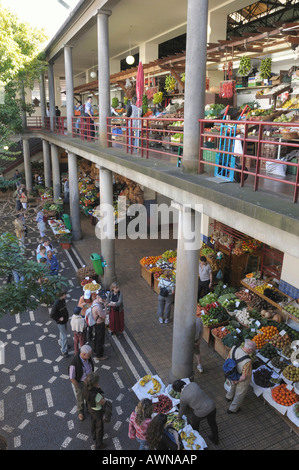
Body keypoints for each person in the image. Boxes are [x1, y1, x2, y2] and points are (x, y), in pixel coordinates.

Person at [175, 379, 219, 445]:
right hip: (211, 406)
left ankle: (196, 437)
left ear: (178, 390)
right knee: (213, 423)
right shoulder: (193, 384)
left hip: (201, 413)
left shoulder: (183, 397)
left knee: (193, 421)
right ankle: (216, 439)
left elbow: (182, 410)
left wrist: (179, 417)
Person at [225, 339, 256, 414]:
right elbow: (244, 377)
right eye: (253, 350)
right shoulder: (247, 361)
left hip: (232, 373)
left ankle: (228, 397)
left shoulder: (234, 348)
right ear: (249, 350)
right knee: (240, 393)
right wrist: (237, 381)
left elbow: (227, 360)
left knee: (232, 386)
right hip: (240, 378)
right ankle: (233, 409)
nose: (253, 351)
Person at [69, 344, 94, 421]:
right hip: (81, 382)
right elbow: (72, 378)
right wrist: (78, 386)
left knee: (89, 395)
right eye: (89, 355)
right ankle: (80, 411)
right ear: (83, 354)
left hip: (89, 380)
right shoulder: (74, 364)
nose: (90, 357)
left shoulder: (87, 358)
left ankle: (89, 408)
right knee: (80, 397)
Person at [84, 372, 107, 450]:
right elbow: (103, 402)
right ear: (95, 383)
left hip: (90, 408)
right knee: (99, 427)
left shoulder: (85, 386)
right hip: (97, 411)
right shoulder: (96, 395)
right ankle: (98, 444)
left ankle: (93, 435)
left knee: (93, 422)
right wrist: (100, 390)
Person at [50, 291, 69, 357]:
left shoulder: (62, 300)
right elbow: (52, 314)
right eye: (65, 294)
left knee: (62, 333)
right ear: (62, 295)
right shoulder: (56, 304)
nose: (66, 296)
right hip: (61, 322)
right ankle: (64, 350)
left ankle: (62, 343)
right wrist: (58, 318)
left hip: (64, 320)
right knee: (64, 336)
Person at [91, 290, 108, 360]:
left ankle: (95, 351)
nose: (104, 300)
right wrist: (106, 307)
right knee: (100, 340)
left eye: (104, 298)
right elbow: (104, 316)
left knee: (97, 338)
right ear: (98, 297)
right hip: (100, 324)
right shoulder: (98, 308)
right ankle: (99, 355)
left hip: (96, 323)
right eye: (102, 298)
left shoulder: (95, 302)